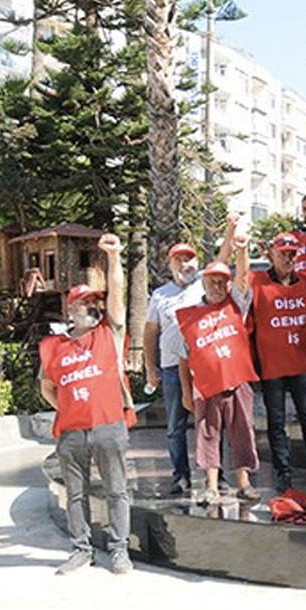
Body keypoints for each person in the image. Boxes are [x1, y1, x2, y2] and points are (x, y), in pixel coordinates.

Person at [40, 233, 134, 575]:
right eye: (86, 303)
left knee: (116, 491)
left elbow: (118, 295)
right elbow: (47, 387)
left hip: (109, 425)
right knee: (75, 495)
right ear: (72, 310)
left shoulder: (109, 333)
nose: (94, 307)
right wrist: (66, 408)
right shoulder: (54, 347)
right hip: (71, 432)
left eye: (97, 302)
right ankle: (81, 550)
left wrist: (114, 257)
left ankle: (119, 550)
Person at [143, 214, 238, 496]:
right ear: (170, 264)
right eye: (179, 260)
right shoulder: (160, 295)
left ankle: (216, 476)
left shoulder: (204, 284)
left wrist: (231, 229)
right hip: (173, 368)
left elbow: (223, 257)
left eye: (189, 259)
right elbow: (150, 333)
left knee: (213, 424)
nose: (185, 264)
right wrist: (151, 368)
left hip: (206, 367)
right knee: (175, 426)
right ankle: (180, 476)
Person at [177, 238, 261, 506]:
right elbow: (183, 357)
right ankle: (211, 486)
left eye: (222, 281)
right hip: (205, 386)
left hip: (237, 382)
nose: (217, 285)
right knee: (208, 434)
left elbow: (243, 278)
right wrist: (186, 391)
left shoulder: (236, 306)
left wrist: (242, 250)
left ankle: (243, 484)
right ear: (202, 283)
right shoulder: (190, 317)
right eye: (212, 280)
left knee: (243, 431)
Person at [248, 233, 306, 492]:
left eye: (292, 253)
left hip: (302, 362)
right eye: (282, 252)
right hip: (272, 365)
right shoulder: (257, 281)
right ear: (271, 254)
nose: (288, 257)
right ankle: (283, 472)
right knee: (276, 421)